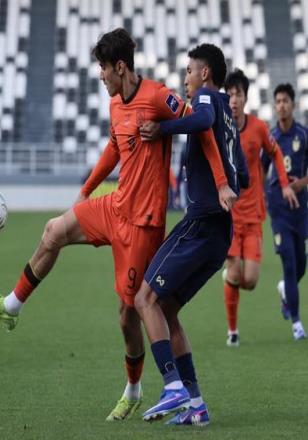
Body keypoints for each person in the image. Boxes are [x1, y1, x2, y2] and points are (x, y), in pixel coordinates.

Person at [0, 29, 235, 421]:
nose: (100, 75)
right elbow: (114, 148)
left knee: (129, 315)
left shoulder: (158, 97)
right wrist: (86, 190)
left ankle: (134, 390)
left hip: (142, 225)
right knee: (53, 231)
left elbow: (204, 130)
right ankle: (12, 306)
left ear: (120, 67)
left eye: (103, 68)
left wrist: (221, 183)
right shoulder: (115, 104)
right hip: (114, 207)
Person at [138, 43, 248, 426]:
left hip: (201, 223)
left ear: (205, 73)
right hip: (220, 233)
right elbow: (244, 175)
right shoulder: (230, 116)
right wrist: (223, 183)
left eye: (188, 70)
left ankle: (172, 387)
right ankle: (196, 405)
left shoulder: (206, 98)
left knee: (144, 298)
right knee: (167, 309)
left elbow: (200, 120)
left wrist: (162, 129)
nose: (185, 78)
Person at [221, 70, 298, 346]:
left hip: (253, 215)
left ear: (245, 98)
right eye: (229, 94)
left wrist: (285, 184)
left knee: (250, 280)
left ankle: (229, 278)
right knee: (235, 272)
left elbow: (275, 152)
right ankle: (232, 331)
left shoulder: (259, 128)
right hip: (228, 216)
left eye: (238, 94)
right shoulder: (219, 129)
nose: (233, 99)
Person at [263, 83, 307, 340]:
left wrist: (301, 183)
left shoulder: (303, 135)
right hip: (278, 208)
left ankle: (284, 289)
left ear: (293, 105)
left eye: (285, 101)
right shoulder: (271, 138)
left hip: (300, 208)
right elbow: (260, 169)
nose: (281, 105)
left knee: (302, 263)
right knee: (289, 262)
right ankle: (297, 322)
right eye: (277, 101)